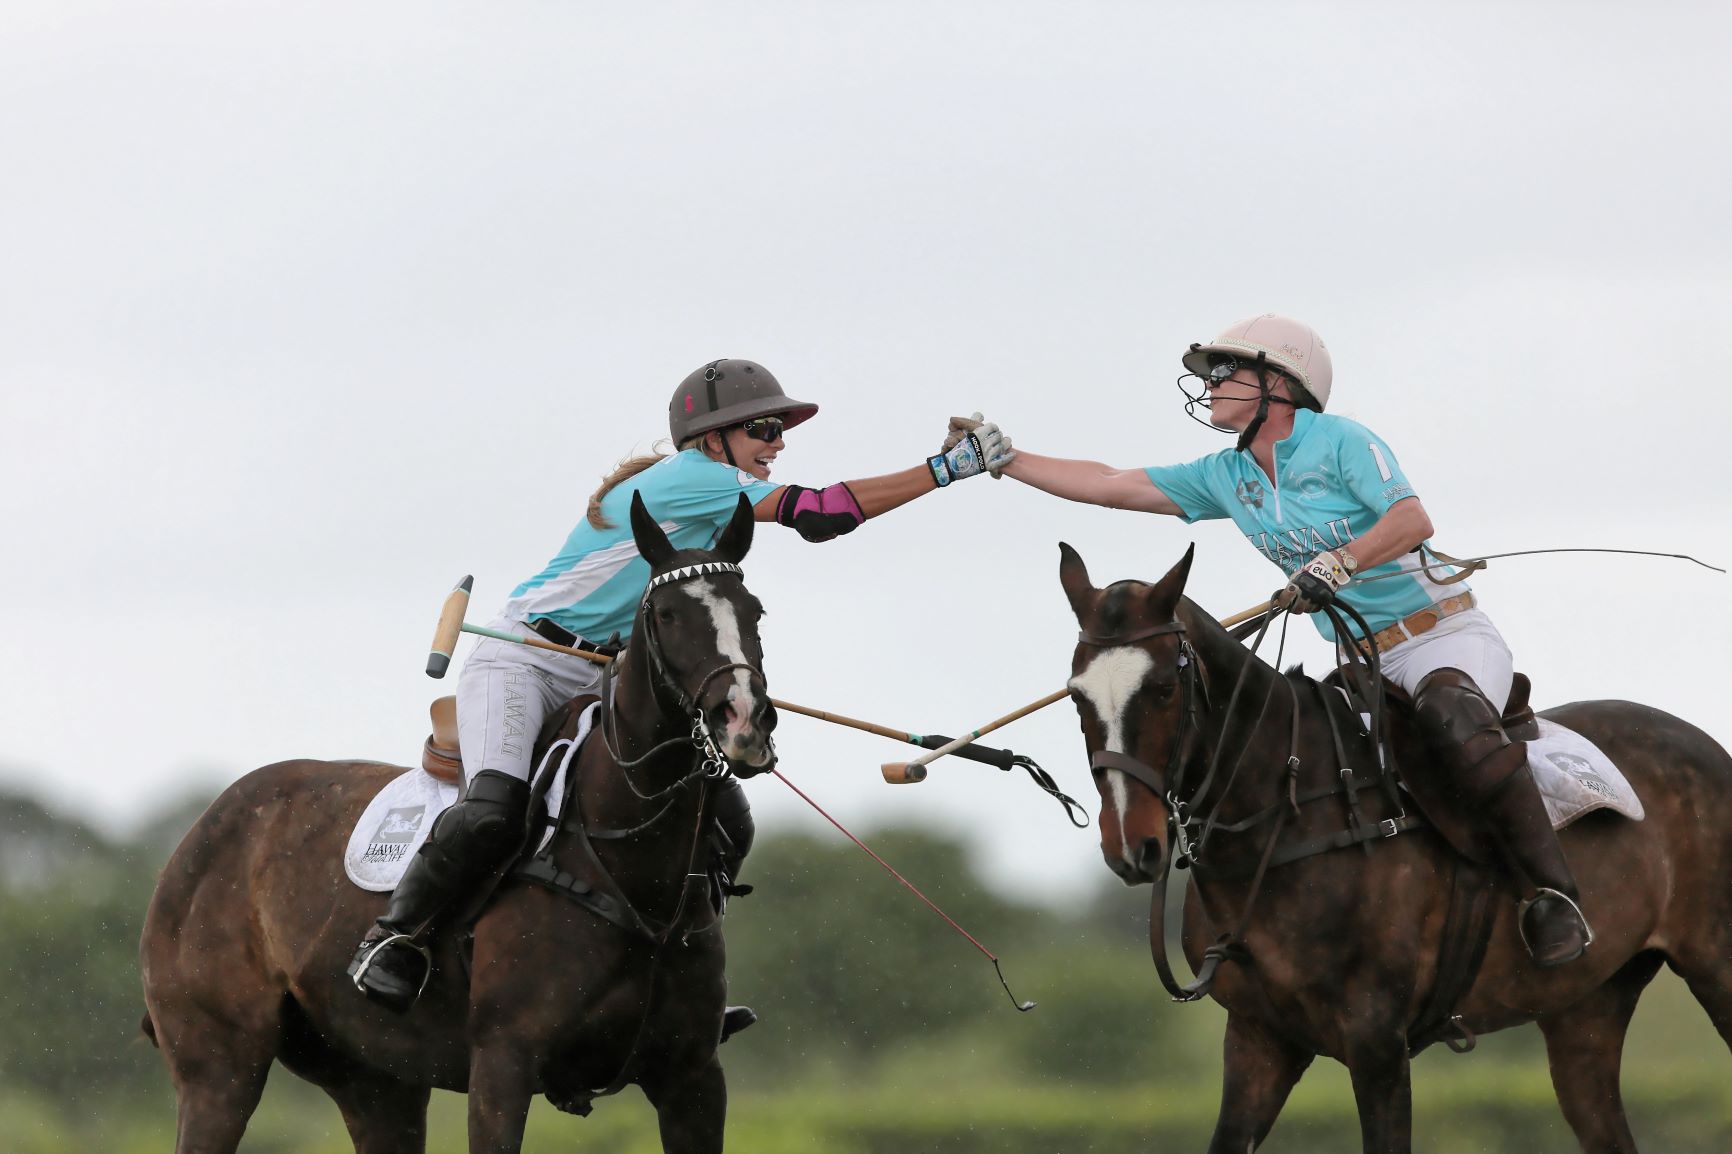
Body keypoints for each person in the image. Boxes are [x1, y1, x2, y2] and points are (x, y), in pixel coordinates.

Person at [348, 358, 1014, 1013]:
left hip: (604, 672)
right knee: (494, 808)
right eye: (764, 430)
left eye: (780, 431)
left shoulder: (715, 490)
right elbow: (821, 513)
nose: (778, 444)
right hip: (524, 659)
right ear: (712, 439)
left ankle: (675, 973)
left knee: (727, 817)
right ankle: (393, 939)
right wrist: (945, 469)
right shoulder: (696, 478)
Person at [968, 313, 1591, 967]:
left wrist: (1340, 562)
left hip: (1442, 635)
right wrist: (1005, 459)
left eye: (1225, 370)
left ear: (1280, 383)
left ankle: (1552, 895)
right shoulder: (1225, 475)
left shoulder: (1342, 440)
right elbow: (1108, 484)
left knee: (1451, 719)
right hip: (1362, 656)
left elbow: (1412, 519)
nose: (1211, 383)